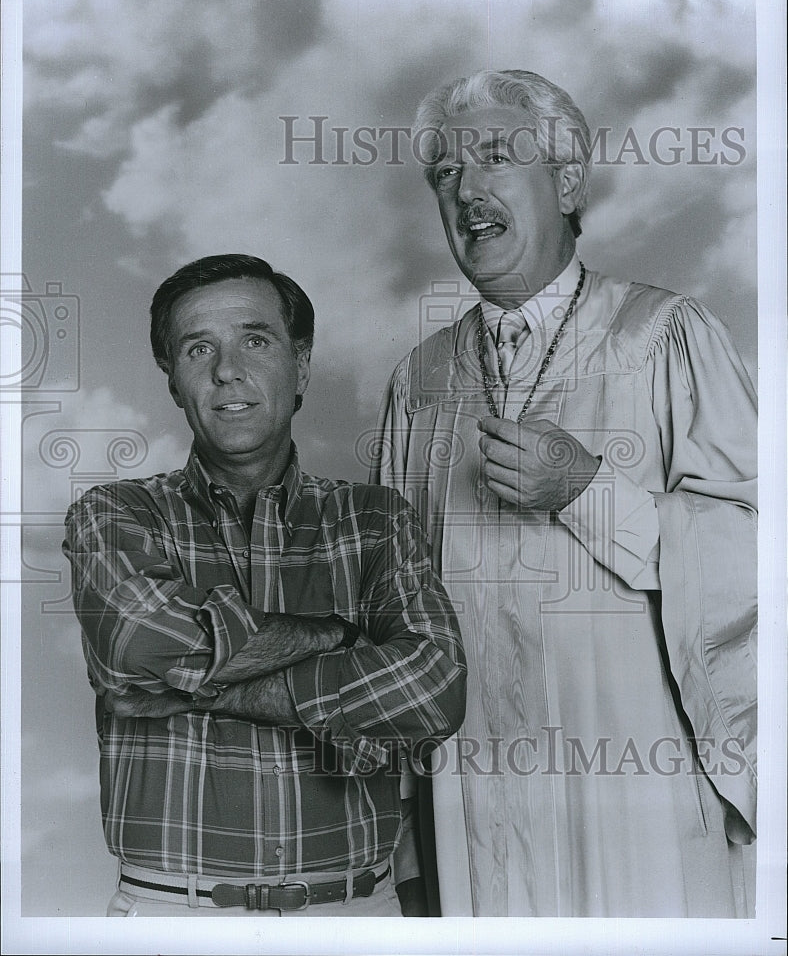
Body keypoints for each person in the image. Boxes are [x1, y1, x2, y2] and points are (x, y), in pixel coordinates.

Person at [372, 70, 757, 917]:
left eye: (496, 157)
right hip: (468, 801)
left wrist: (586, 488)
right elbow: (391, 618)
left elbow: (757, 555)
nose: (466, 187)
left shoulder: (663, 337)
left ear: (569, 180)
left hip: (634, 797)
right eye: (444, 173)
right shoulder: (422, 383)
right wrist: (405, 840)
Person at [64, 253, 466, 917]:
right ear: (173, 380)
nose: (228, 369)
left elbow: (436, 687)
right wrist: (342, 635)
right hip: (178, 915)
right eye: (199, 348)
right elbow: (137, 642)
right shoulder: (116, 513)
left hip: (356, 911)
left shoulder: (376, 522)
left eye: (255, 339)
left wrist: (197, 688)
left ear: (300, 365)